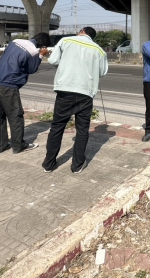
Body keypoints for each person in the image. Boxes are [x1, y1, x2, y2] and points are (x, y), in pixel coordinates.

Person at [41, 26, 108, 174]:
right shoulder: (99, 50)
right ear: (92, 37)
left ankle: (49, 164)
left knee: (57, 127)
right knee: (82, 130)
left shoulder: (65, 41)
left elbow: (53, 60)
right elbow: (102, 72)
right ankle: (77, 165)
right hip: (85, 93)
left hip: (65, 90)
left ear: (82, 31)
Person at [0, 32, 51, 154]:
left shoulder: (15, 41)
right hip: (8, 85)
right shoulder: (33, 51)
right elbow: (32, 69)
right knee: (15, 116)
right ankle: (18, 146)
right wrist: (41, 55)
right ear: (42, 46)